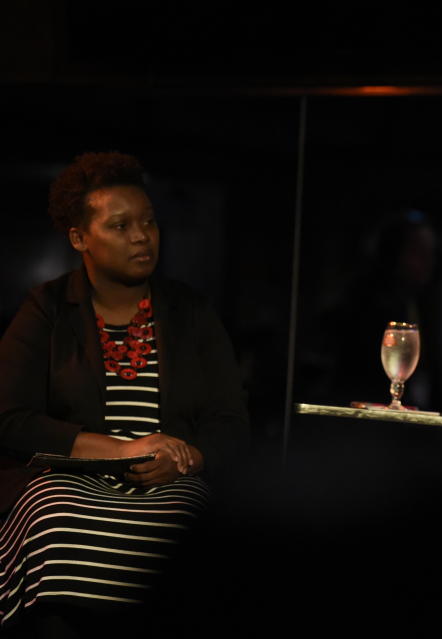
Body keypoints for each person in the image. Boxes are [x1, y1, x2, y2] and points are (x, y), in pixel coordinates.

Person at [0, 152, 249, 636]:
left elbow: (231, 422)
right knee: (52, 514)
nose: (141, 236)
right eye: (120, 226)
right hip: (68, 484)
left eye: (149, 222)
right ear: (80, 238)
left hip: (168, 486)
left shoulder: (190, 313)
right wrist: (121, 450)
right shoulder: (47, 309)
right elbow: (9, 418)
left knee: (184, 521)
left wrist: (187, 458)